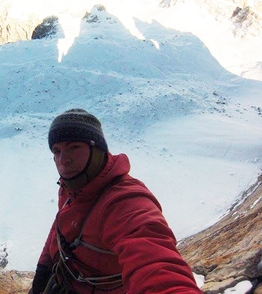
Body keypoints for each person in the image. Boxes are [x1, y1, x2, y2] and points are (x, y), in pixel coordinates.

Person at [29, 109, 202, 294]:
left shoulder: (125, 201)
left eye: (74, 147)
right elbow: (60, 226)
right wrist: (43, 270)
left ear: (96, 150)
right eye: (56, 151)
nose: (63, 160)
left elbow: (156, 265)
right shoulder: (72, 187)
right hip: (63, 281)